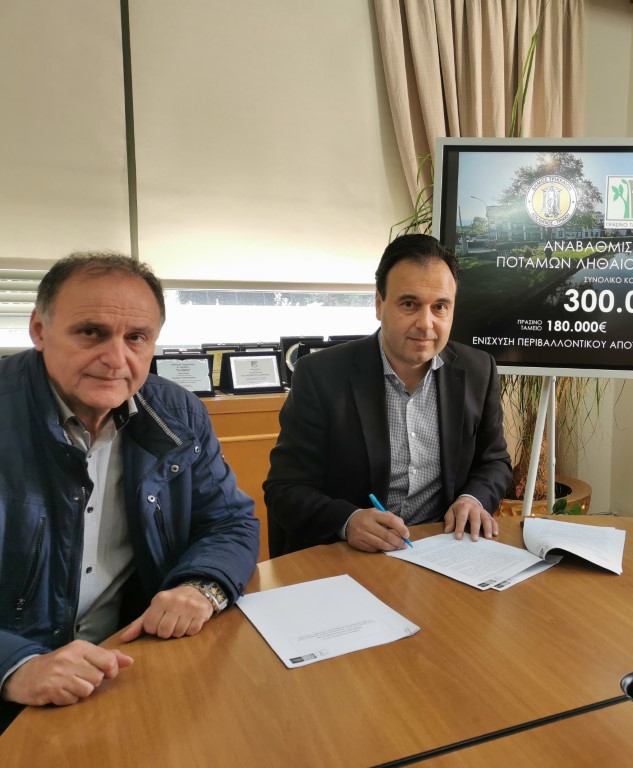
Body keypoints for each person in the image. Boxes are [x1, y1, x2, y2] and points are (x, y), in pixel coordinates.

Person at [0, 252, 259, 726]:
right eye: (90, 332)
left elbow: (230, 521)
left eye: (136, 338)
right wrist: (15, 665)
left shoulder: (178, 414)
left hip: (129, 666)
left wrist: (201, 586)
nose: (116, 360)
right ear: (39, 329)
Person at [264, 234, 513, 556]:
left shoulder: (478, 369)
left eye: (439, 307)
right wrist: (347, 521)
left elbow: (494, 462)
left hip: (441, 548)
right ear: (379, 304)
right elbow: (285, 488)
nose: (426, 324)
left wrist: (472, 498)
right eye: (409, 304)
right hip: (350, 555)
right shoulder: (321, 375)